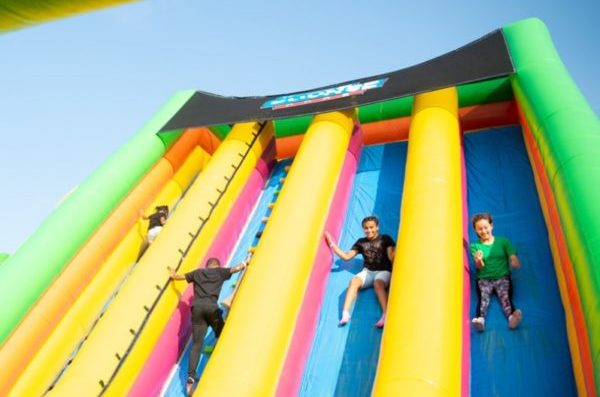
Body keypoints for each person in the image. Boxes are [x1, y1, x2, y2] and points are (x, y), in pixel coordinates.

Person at [168, 257, 249, 388]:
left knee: (197, 344)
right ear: (217, 265)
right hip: (211, 309)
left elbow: (179, 277)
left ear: (207, 266)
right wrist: (245, 262)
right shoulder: (220, 272)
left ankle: (190, 378)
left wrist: (173, 274)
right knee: (223, 334)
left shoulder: (198, 272)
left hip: (197, 310)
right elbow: (237, 268)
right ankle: (222, 363)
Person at [324, 215, 395, 328]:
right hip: (368, 272)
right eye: (366, 228)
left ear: (377, 227)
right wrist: (331, 243)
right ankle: (345, 314)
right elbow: (347, 257)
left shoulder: (385, 239)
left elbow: (391, 256)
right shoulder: (361, 242)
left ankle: (386, 314)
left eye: (371, 227)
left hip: (383, 271)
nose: (369, 230)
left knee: (378, 284)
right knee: (354, 281)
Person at [470, 212, 522, 332]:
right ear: (475, 230)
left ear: (491, 226)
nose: (483, 231)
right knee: (483, 299)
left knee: (505, 297)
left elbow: (512, 256)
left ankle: (512, 318)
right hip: (484, 278)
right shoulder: (475, 246)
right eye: (479, 229)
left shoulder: (503, 242)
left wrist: (514, 261)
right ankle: (480, 320)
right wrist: (478, 259)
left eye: (485, 227)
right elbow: (479, 266)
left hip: (502, 277)